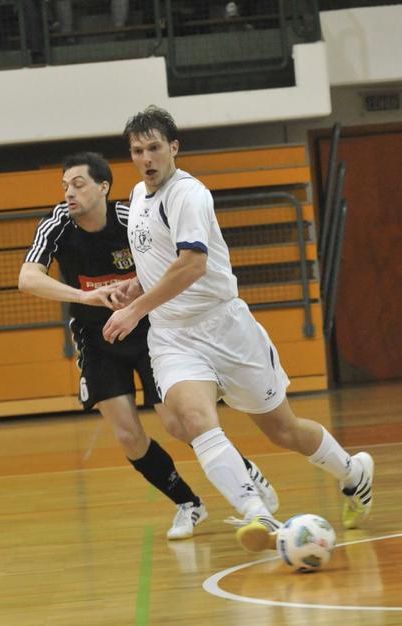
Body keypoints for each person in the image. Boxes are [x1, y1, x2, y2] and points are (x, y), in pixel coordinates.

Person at [102, 106, 375, 552]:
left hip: (225, 328)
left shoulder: (189, 194)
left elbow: (192, 265)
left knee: (283, 431)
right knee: (192, 419)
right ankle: (256, 511)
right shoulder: (136, 195)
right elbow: (162, 260)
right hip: (172, 335)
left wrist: (135, 311)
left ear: (174, 147)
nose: (146, 158)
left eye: (154, 148)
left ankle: (353, 472)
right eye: (137, 151)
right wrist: (138, 285)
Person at [18, 152, 278, 540]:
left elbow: (179, 260)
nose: (69, 193)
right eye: (65, 186)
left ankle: (244, 473)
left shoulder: (131, 217)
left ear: (103, 187)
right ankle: (188, 503)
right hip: (97, 338)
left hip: (148, 329)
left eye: (78, 184)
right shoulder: (57, 223)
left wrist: (137, 292)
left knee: (178, 423)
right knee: (127, 435)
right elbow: (27, 278)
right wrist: (85, 296)